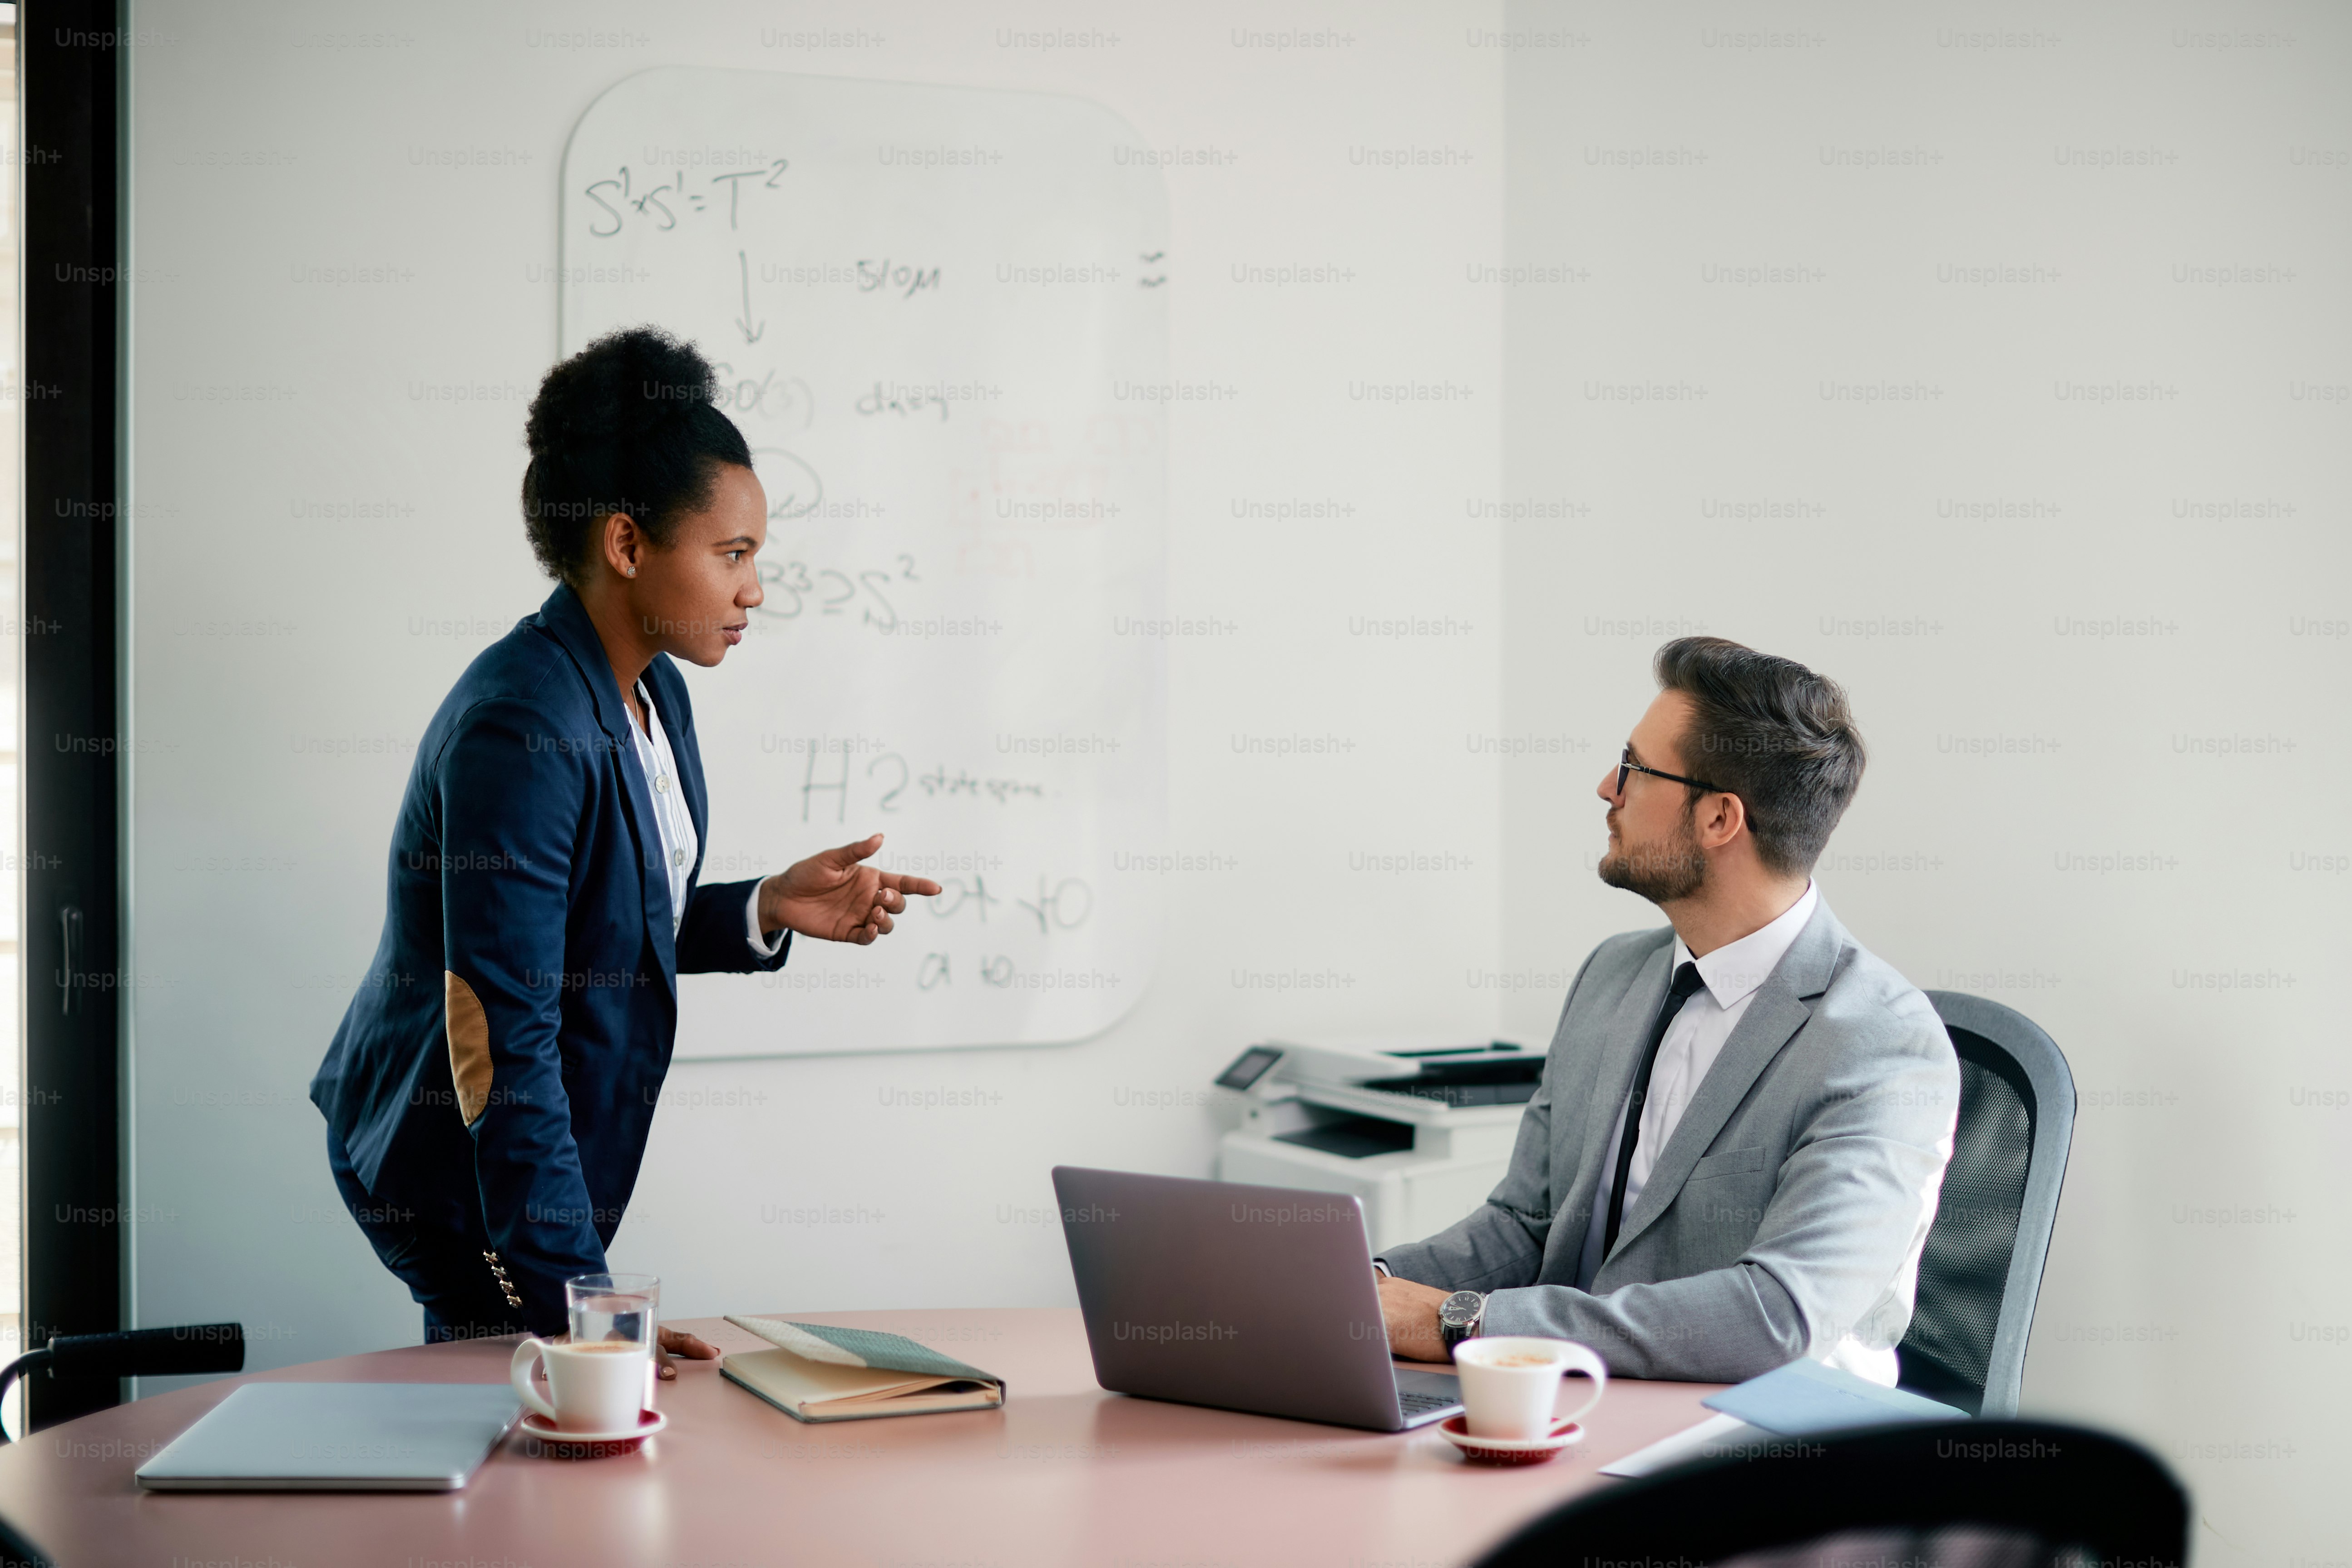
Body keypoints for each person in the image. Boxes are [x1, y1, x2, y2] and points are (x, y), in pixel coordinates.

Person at [308, 327, 941, 1365]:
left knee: (552, 1420)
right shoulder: (521, 728)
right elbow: (499, 1036)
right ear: (626, 545)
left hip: (505, 1143)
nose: (755, 589)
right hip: (445, 1162)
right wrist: (589, 1312)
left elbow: (602, 920)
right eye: (733, 555)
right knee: (528, 1420)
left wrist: (765, 905)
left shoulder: (655, 689)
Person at [1374, 637, 1958, 1384]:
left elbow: (1779, 1316)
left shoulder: (1883, 1044)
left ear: (1719, 818)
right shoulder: (1613, 976)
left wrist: (1462, 1324)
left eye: (1633, 768)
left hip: (1765, 1442)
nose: (1605, 788)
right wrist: (1367, 1284)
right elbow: (1527, 1225)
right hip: (1586, 1401)